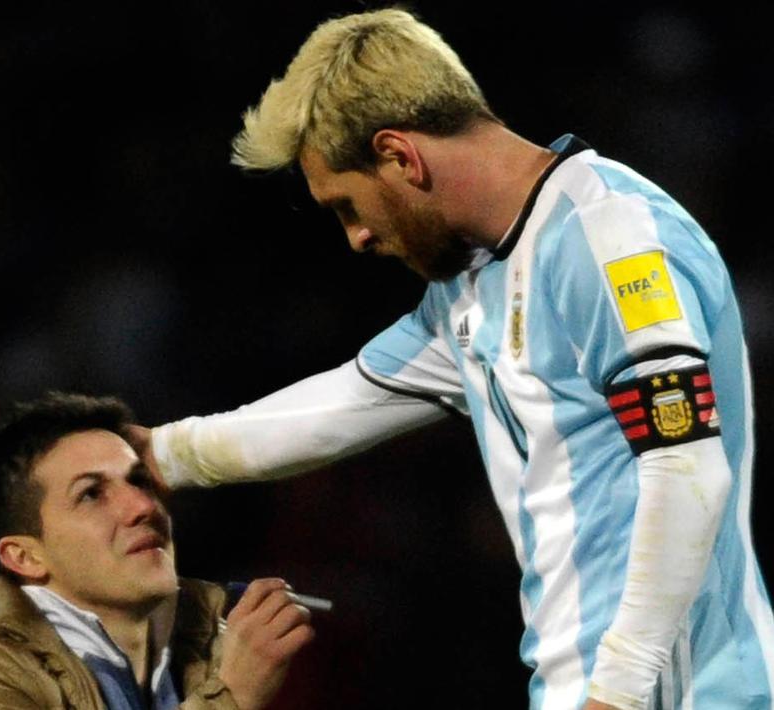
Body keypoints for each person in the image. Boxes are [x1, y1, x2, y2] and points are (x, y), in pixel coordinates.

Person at [134, 9, 774, 710]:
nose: (355, 238)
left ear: (400, 156)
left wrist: (615, 694)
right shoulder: (471, 287)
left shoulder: (611, 237)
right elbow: (350, 400)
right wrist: (164, 455)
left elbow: (685, 467)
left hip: (681, 694)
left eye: (347, 206)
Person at [0, 392, 314, 709]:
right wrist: (230, 697)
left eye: (140, 482)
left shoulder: (226, 637)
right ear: (25, 557)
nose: (143, 507)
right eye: (91, 494)